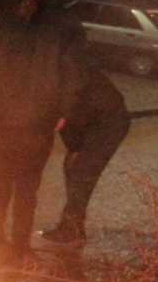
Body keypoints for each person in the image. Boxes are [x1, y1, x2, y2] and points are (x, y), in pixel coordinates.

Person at [0, 0, 84, 260]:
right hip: (40, 118)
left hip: (4, 116)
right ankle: (19, 245)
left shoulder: (9, 16)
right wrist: (64, 110)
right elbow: (73, 73)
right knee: (27, 185)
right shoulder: (68, 26)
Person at [40, 40, 129, 249]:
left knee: (81, 174)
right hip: (88, 123)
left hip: (108, 122)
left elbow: (71, 99)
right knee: (72, 169)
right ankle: (71, 226)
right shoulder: (54, 67)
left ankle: (72, 230)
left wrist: (63, 114)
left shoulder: (68, 65)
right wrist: (74, 147)